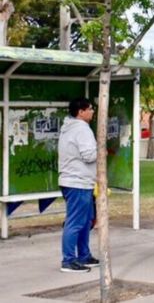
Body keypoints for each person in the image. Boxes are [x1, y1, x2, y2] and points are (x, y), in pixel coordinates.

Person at [58, 98, 99, 273]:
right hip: (78, 182)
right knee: (75, 222)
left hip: (77, 180)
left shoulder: (68, 128)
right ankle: (68, 260)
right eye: (90, 109)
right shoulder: (82, 129)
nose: (92, 112)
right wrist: (101, 150)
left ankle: (84, 255)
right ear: (80, 112)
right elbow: (89, 155)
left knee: (86, 221)